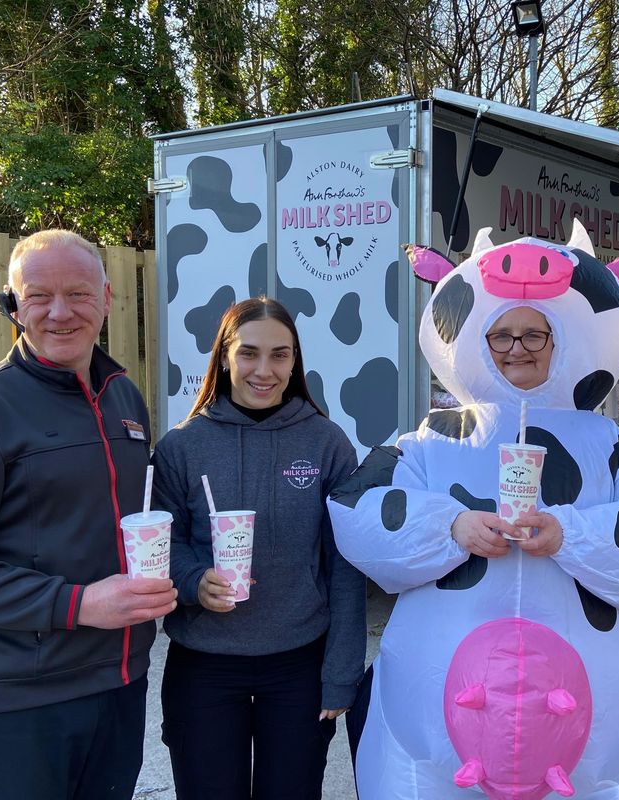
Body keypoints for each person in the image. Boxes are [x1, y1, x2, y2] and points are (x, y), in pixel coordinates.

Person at [329, 223, 619, 799]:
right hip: (433, 718)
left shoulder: (607, 443)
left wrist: (572, 535)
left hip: (600, 723)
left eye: (535, 334)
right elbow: (356, 509)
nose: (516, 348)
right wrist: (451, 527)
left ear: (561, 341)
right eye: (501, 335)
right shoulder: (433, 437)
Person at [0, 229, 178, 800]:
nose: (60, 312)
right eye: (39, 296)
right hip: (18, 706)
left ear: (106, 298)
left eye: (78, 293)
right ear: (13, 304)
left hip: (120, 685)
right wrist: (78, 605)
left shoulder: (124, 398)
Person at [151, 297, 365, 800]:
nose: (264, 370)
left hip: (298, 665)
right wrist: (193, 580)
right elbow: (165, 541)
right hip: (203, 665)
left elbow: (345, 566)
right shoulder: (182, 446)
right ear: (224, 357)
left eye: (279, 355)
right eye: (248, 353)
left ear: (295, 362)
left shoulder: (327, 444)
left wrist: (341, 673)